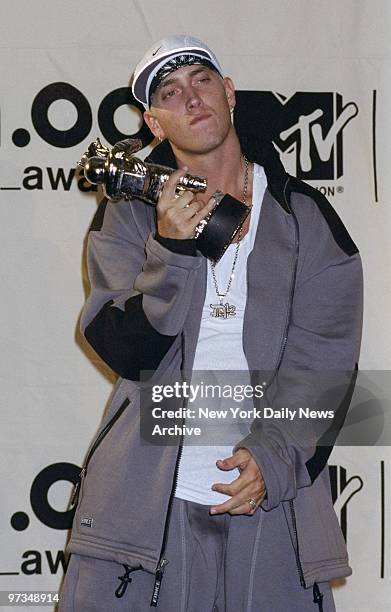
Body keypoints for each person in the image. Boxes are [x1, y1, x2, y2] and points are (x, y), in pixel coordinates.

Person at [59, 35, 363, 611]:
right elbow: (128, 353)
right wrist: (171, 250)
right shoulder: (127, 217)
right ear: (155, 121)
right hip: (144, 512)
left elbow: (326, 362)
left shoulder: (306, 216)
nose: (191, 99)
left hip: (272, 503)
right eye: (170, 94)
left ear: (228, 93)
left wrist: (273, 458)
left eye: (201, 81)